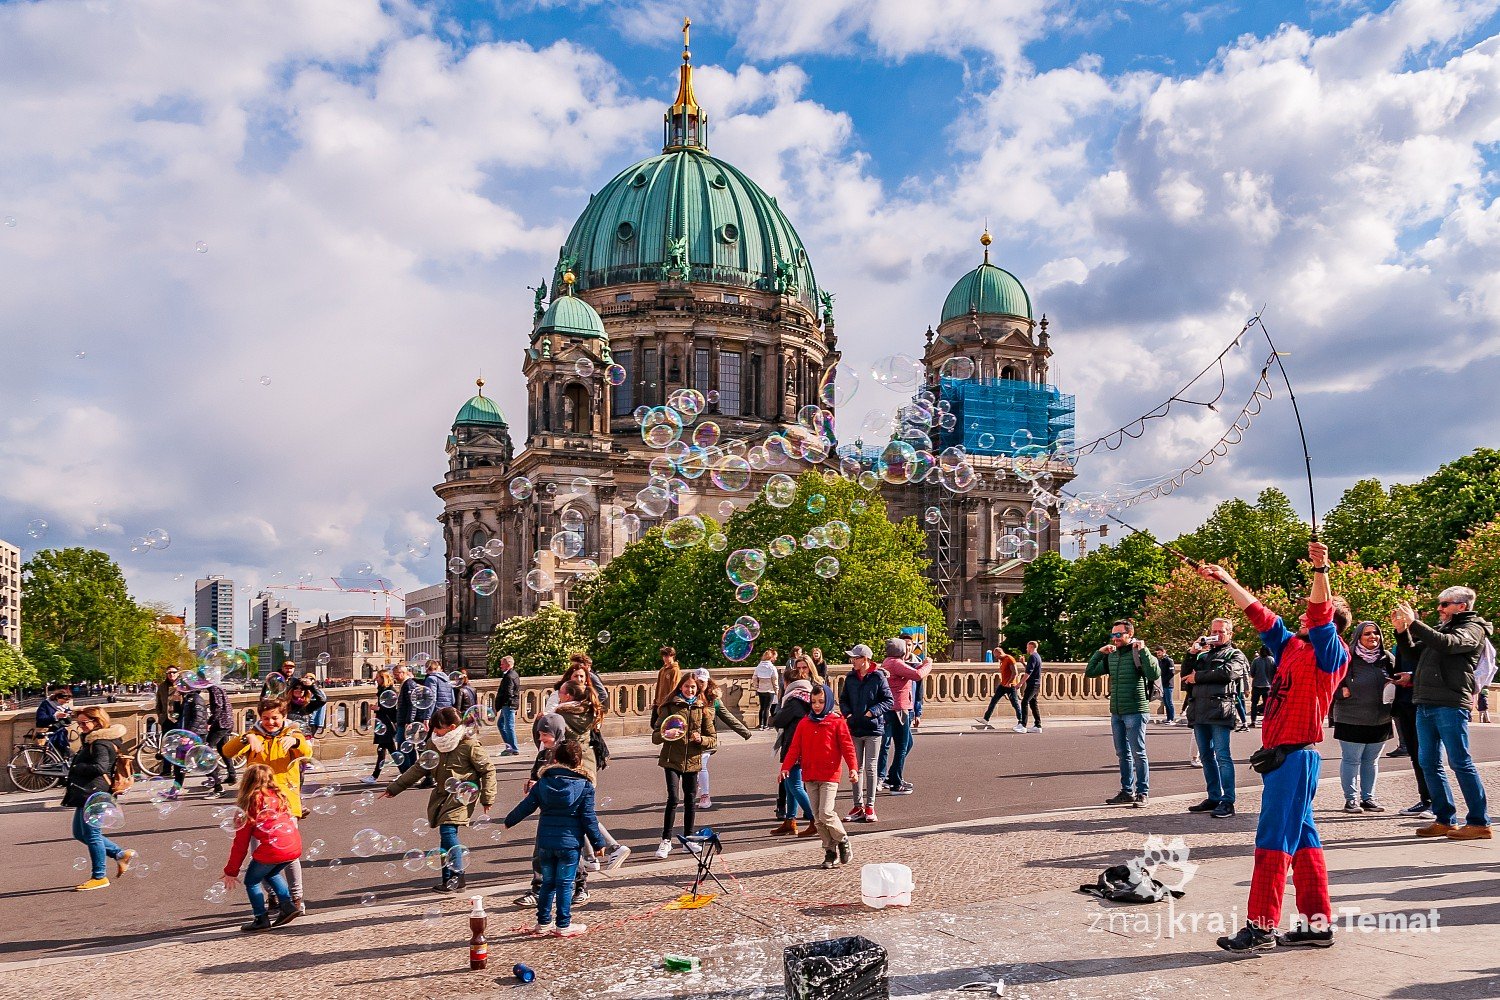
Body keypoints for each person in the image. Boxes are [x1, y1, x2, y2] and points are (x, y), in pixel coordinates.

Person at [1203, 541, 1350, 953]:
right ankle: (1318, 925)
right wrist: (1227, 580)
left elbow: (1319, 615)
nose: (1302, 615)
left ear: (1331, 625)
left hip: (1295, 756)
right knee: (1304, 842)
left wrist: (1321, 570)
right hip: (1284, 757)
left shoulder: (1332, 653)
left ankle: (1261, 926)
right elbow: (1261, 615)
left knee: (1272, 839)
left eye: (1309, 615)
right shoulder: (1292, 647)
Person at [1393, 585, 1493, 840]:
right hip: (1426, 702)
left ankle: (1479, 822)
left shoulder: (1473, 628)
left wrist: (1415, 623)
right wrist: (1402, 631)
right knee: (1428, 762)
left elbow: (1449, 645)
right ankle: (1444, 818)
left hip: (1450, 703)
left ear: (1462, 606)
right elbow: (1412, 653)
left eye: (1444, 604)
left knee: (1460, 762)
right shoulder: (1443, 629)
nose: (1439, 608)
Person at [512, 713, 629, 909]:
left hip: (569, 815)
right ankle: (538, 890)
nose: (541, 739)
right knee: (540, 853)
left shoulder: (568, 753)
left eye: (544, 735)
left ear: (557, 733)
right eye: (539, 734)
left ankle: (581, 887)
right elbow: (536, 777)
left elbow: (576, 781)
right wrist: (532, 785)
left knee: (572, 854)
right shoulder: (542, 756)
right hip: (549, 815)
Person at [384, 706, 496, 892]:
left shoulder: (469, 745)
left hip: (463, 794)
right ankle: (448, 880)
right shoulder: (434, 743)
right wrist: (395, 788)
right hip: (442, 794)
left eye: (438, 728)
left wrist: (487, 797)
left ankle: (458, 876)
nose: (434, 731)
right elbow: (419, 767)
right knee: (445, 836)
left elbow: (488, 770)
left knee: (447, 831)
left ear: (452, 727)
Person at [503, 739, 605, 937]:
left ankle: (543, 923)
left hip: (546, 843)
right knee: (565, 884)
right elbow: (588, 818)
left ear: (555, 759)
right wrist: (598, 843)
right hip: (569, 844)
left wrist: (510, 820)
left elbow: (526, 806)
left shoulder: (543, 783)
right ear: (578, 762)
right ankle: (563, 925)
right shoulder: (585, 786)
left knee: (547, 883)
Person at [222, 699, 313, 912]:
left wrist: (295, 742)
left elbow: (307, 753)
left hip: (284, 803)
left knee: (289, 854)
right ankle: (273, 895)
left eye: (275, 718)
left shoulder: (292, 734)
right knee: (259, 853)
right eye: (265, 718)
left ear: (283, 717)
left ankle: (296, 897)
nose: (270, 722)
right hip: (257, 802)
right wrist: (246, 737)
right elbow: (227, 751)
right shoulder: (253, 735)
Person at [781, 683, 857, 869]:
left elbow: (848, 748)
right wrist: (785, 767)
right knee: (817, 818)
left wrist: (853, 768)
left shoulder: (837, 722)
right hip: (810, 775)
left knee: (826, 812)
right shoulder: (804, 723)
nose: (816, 705)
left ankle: (843, 839)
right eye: (813, 701)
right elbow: (794, 748)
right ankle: (830, 851)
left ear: (828, 701)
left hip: (829, 775)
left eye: (821, 701)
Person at [1086, 620, 1160, 807]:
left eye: (1119, 634)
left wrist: (1144, 651)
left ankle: (1142, 793)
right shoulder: (1111, 656)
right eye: (1113, 634)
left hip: (1136, 710)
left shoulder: (1138, 652)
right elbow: (1090, 672)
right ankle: (1127, 791)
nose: (1115, 638)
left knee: (1138, 753)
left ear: (1130, 634)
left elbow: (1154, 674)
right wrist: (1099, 652)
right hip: (1117, 711)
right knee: (1122, 753)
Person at [222, 763, 302, 932]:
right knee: (271, 873)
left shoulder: (249, 804)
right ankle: (287, 906)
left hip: (273, 850)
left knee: (251, 881)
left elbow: (241, 845)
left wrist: (231, 871)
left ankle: (260, 919)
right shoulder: (279, 796)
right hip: (293, 847)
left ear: (246, 782)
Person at [1182, 618, 1248, 819]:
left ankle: (1228, 801)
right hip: (1199, 710)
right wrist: (1191, 653)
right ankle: (1213, 797)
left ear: (1230, 634)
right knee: (1206, 756)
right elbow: (1185, 677)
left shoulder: (1235, 654)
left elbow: (1227, 674)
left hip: (1220, 710)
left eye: (1221, 631)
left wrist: (1199, 677)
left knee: (1222, 756)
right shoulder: (1202, 655)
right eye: (1213, 631)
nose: (1216, 635)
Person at [63, 707, 135, 891]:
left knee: (92, 835)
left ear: (97, 722)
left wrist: (77, 767)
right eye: (78, 723)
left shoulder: (100, 742)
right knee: (79, 833)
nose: (80, 726)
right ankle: (120, 854)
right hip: (86, 792)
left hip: (95, 793)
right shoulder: (91, 740)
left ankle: (99, 876)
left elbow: (101, 767)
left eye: (84, 723)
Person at [651, 672, 717, 859]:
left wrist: (700, 739)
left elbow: (713, 739)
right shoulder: (670, 706)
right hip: (672, 759)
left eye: (693, 687)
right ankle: (666, 840)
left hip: (693, 760)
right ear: (681, 687)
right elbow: (655, 736)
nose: (690, 690)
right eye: (687, 686)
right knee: (673, 798)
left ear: (698, 689)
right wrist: (666, 734)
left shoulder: (702, 708)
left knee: (690, 799)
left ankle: (688, 839)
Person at [1334, 622, 1396, 813]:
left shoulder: (1387, 658)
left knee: (1371, 761)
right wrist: (1340, 692)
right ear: (1358, 637)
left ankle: (1368, 798)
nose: (1372, 636)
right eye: (1367, 633)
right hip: (1351, 718)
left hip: (1380, 719)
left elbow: (1400, 678)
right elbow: (1330, 681)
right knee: (1352, 760)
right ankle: (1351, 799)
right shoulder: (1347, 657)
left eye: (1375, 633)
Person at [838, 644, 893, 824]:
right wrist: (848, 714)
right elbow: (843, 699)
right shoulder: (850, 677)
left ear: (865, 659)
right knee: (856, 768)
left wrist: (872, 712)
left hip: (873, 728)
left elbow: (888, 700)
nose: (852, 661)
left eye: (855, 658)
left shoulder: (878, 677)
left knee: (870, 767)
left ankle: (870, 806)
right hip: (855, 727)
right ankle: (857, 805)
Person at [881, 637, 931, 795]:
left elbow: (910, 670)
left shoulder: (888, 662)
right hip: (899, 709)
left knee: (908, 743)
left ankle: (892, 775)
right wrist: (928, 664)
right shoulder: (896, 663)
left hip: (896, 708)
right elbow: (917, 675)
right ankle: (896, 783)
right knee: (902, 746)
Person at [697, 668, 752, 810]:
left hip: (707, 739)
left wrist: (745, 732)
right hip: (691, 739)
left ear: (708, 682)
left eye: (702, 681)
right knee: (693, 769)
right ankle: (697, 784)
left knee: (701, 765)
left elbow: (728, 717)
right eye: (697, 681)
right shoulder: (688, 696)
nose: (698, 684)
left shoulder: (713, 700)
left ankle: (705, 795)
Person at [1389, 642, 1432, 817]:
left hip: (1423, 705)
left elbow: (1435, 671)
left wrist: (1412, 677)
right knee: (1415, 755)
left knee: (1429, 757)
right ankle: (1426, 800)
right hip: (1404, 704)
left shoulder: (1428, 639)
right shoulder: (1400, 644)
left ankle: (1436, 803)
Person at [771, 674, 816, 836]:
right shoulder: (807, 696)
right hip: (803, 744)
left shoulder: (794, 700)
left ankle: (815, 819)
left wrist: (775, 713)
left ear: (787, 682)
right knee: (789, 786)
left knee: (794, 785)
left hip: (794, 745)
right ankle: (790, 820)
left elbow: (778, 720)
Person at [176, 676, 237, 797]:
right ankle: (175, 789)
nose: (177, 687)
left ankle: (218, 785)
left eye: (180, 685)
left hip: (214, 727)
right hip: (204, 729)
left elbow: (200, 717)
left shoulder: (197, 698)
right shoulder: (188, 698)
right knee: (181, 761)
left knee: (203, 757)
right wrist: (176, 701)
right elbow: (180, 716)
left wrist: (208, 723)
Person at [365, 668, 401, 784]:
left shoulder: (389, 691)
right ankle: (405, 773)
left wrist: (378, 708)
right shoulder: (383, 690)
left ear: (384, 678)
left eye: (378, 677)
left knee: (384, 750)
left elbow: (391, 709)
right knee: (389, 750)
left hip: (387, 724)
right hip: (383, 723)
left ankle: (374, 777)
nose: (376, 679)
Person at [395, 664, 431, 771]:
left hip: (406, 722)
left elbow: (413, 704)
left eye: (396, 674)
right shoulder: (407, 684)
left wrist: (409, 721)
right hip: (405, 720)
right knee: (408, 747)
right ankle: (411, 772)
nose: (394, 677)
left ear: (402, 673)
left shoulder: (408, 684)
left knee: (403, 747)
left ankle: (407, 772)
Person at [36, 685, 76, 759]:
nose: (66, 703)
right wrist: (55, 716)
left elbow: (68, 720)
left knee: (65, 752)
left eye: (67, 701)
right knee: (49, 754)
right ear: (57, 698)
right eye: (64, 701)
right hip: (48, 732)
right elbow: (40, 719)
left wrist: (67, 718)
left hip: (60, 732)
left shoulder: (65, 707)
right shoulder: (46, 704)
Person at [495, 655, 522, 755]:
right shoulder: (513, 674)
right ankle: (509, 746)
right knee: (501, 724)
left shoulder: (509, 676)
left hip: (508, 705)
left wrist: (499, 705)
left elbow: (508, 693)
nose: (500, 666)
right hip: (509, 704)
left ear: (508, 664)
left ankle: (513, 748)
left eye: (502, 664)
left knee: (509, 726)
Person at [1015, 641, 1043, 733]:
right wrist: (1023, 663)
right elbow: (1031, 669)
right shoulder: (1037, 656)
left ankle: (1023, 725)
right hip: (1036, 683)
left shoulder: (1032, 657)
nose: (1026, 649)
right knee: (1033, 703)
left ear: (1031, 647)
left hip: (1032, 684)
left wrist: (1020, 683)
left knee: (1024, 702)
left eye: (1027, 647)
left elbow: (1028, 673)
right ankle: (1038, 725)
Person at [651, 646, 681, 729]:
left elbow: (674, 688)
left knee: (663, 725)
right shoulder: (662, 670)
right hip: (658, 702)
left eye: (667, 656)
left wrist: (669, 701)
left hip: (666, 703)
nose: (665, 658)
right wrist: (655, 701)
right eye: (664, 656)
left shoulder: (674, 670)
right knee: (654, 724)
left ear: (672, 656)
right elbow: (658, 686)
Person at [752, 650, 781, 729]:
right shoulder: (772, 667)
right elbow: (775, 680)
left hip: (761, 689)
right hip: (769, 690)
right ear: (771, 657)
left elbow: (754, 678)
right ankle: (765, 725)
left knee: (762, 707)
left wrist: (756, 686)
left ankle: (761, 724)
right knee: (767, 708)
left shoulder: (758, 667)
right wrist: (777, 690)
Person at [1250, 645, 1276, 726]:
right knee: (1267, 704)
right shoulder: (1271, 660)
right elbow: (1275, 672)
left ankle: (1253, 721)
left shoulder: (1256, 660)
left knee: (1254, 704)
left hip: (1256, 685)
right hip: (1268, 685)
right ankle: (1266, 720)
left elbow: (1252, 673)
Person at [1153, 645, 1177, 725]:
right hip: (1162, 685)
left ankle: (1171, 719)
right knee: (1165, 702)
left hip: (1168, 685)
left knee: (1169, 702)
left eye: (1159, 653)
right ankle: (1168, 718)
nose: (1158, 655)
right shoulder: (1160, 661)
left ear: (1164, 652)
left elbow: (1171, 673)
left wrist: (1163, 680)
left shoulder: (1169, 661)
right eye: (1157, 653)